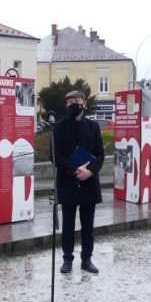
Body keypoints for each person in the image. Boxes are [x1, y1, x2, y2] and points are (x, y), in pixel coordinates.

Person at [53, 90, 105, 274]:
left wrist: (89, 171)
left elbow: (100, 154)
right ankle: (67, 259)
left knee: (88, 226)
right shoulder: (59, 127)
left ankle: (87, 259)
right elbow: (56, 157)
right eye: (70, 101)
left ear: (84, 103)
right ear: (66, 106)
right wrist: (74, 170)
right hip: (68, 181)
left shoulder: (93, 127)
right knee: (68, 224)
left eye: (77, 100)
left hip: (89, 183)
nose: (74, 104)